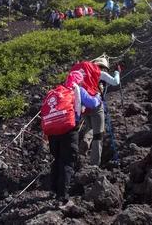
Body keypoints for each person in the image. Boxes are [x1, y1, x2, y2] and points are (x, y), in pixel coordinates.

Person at [42, 72, 102, 207]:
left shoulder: (57, 92)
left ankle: (54, 190)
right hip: (68, 131)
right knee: (67, 162)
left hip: (52, 132)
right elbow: (93, 103)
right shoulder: (77, 89)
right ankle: (62, 198)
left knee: (56, 160)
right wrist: (98, 95)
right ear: (79, 81)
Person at [70, 57, 120, 166]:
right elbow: (115, 82)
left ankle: (86, 141)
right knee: (98, 135)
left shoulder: (81, 72)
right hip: (95, 106)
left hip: (82, 107)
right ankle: (94, 165)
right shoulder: (99, 72)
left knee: (90, 128)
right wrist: (117, 72)